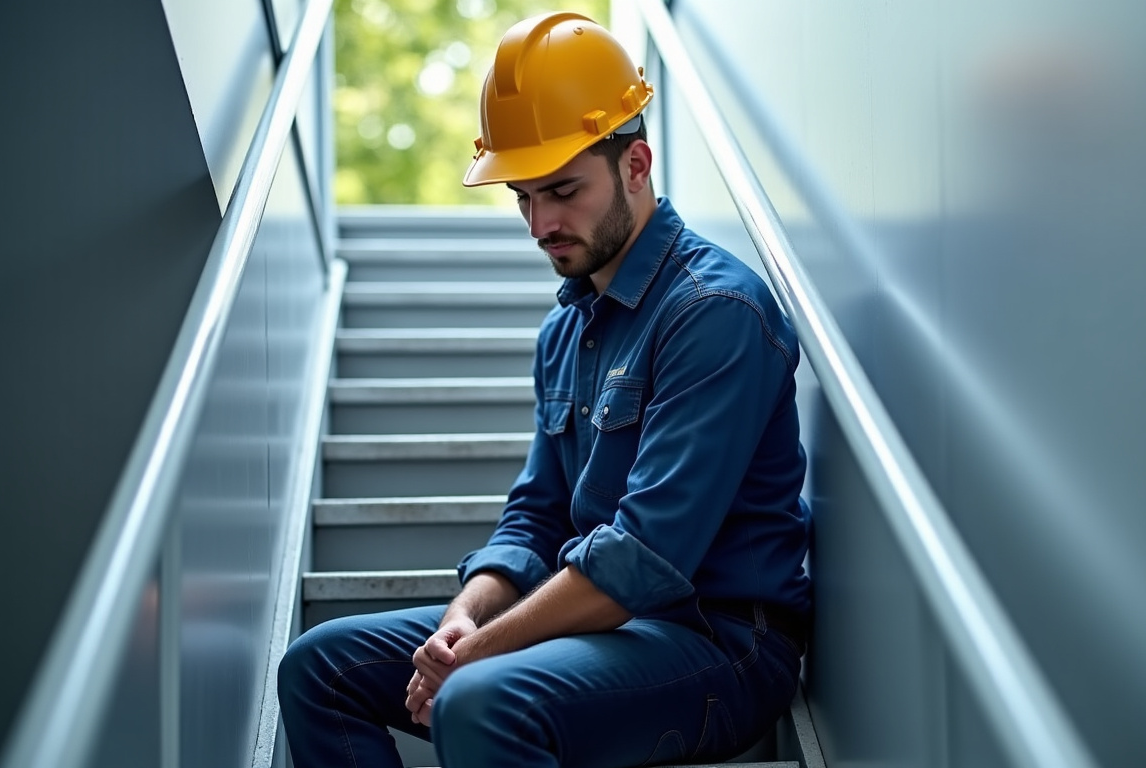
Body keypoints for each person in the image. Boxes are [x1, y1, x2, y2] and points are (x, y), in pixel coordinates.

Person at [278, 12, 811, 768]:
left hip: (717, 642)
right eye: (524, 196)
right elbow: (535, 516)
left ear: (636, 164)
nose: (540, 223)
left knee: (479, 696)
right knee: (319, 663)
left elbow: (644, 560)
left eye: (562, 190)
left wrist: (480, 654)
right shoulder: (565, 331)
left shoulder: (714, 312)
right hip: (598, 629)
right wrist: (465, 620)